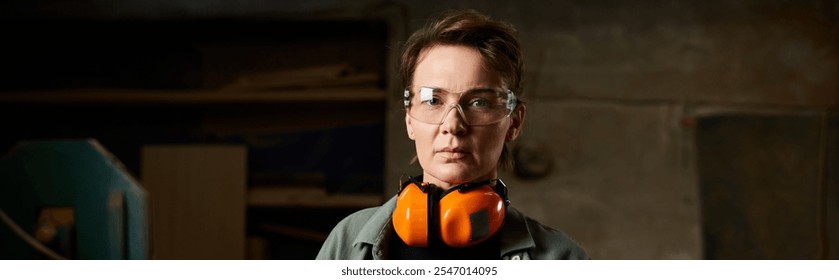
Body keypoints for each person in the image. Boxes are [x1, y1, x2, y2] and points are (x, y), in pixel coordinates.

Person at [316, 9, 588, 260]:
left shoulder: (560, 258)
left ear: (514, 122)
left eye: (479, 102)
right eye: (433, 101)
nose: (453, 125)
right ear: (409, 119)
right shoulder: (349, 241)